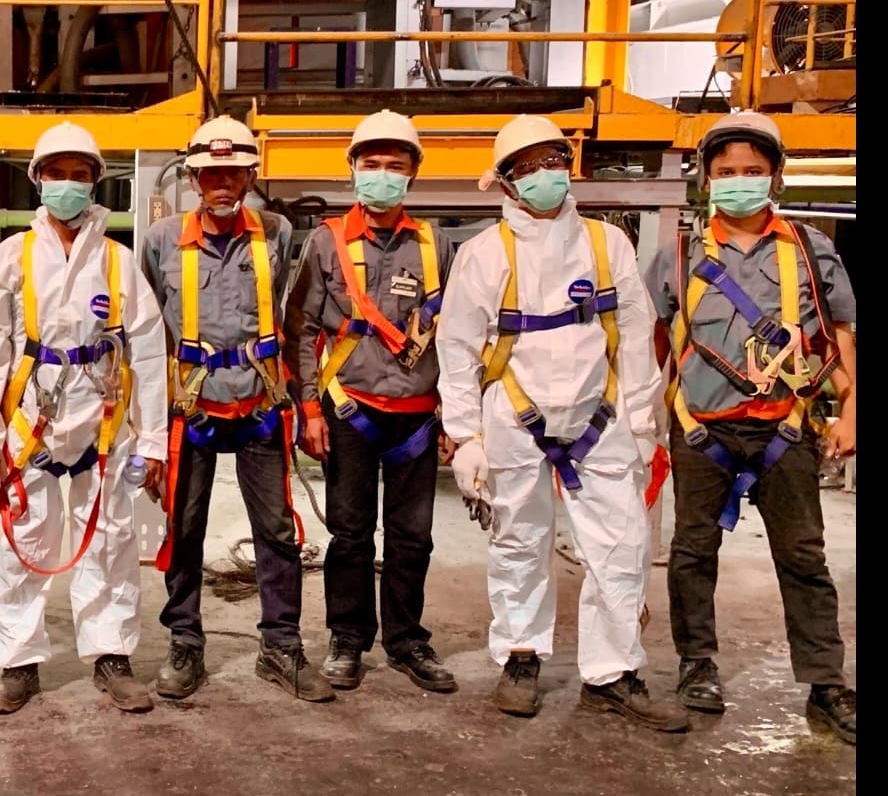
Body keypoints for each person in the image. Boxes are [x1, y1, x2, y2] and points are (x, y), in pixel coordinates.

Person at [435, 114, 687, 732]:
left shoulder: (607, 244)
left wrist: (643, 423)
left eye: (553, 159)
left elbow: (634, 335)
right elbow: (457, 347)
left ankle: (613, 671)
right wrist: (465, 436)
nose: (545, 173)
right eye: (528, 166)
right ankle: (520, 655)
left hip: (602, 415)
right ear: (505, 182)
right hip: (515, 416)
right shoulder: (483, 254)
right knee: (519, 541)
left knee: (623, 546)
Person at [646, 110, 856, 744]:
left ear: (776, 176)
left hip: (784, 428)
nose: (740, 181)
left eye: (753, 171)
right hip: (702, 429)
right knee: (692, 552)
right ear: (707, 179)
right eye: (727, 171)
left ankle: (826, 682)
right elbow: (656, 338)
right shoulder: (679, 255)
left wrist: (850, 412)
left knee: (803, 555)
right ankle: (696, 664)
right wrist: (646, 416)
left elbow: (839, 334)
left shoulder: (810, 250)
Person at [0, 122, 168, 715]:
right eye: (58, 174)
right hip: (32, 426)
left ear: (95, 183)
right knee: (25, 544)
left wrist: (152, 441)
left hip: (103, 428)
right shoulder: (13, 257)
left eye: (80, 176)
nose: (69, 185)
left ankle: (111, 655)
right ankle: (19, 663)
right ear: (39, 179)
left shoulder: (117, 261)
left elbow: (147, 353)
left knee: (111, 543)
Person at [141, 115, 328, 703]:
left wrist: (303, 400)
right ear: (193, 178)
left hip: (259, 404)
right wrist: (146, 424)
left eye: (233, 173)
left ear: (251, 175)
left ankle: (281, 645)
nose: (222, 183)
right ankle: (185, 642)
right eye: (210, 173)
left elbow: (289, 313)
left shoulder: (275, 232)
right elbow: (147, 331)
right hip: (191, 407)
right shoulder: (162, 239)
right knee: (184, 527)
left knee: (276, 530)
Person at [290, 110, 457, 694]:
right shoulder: (326, 242)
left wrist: (456, 418)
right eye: (372, 163)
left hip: (416, 416)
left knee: (412, 536)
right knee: (351, 533)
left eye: (394, 165)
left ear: (412, 174)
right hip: (350, 410)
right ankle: (347, 636)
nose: (382, 174)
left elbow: (458, 337)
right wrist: (309, 409)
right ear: (354, 169)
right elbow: (301, 329)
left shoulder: (436, 245)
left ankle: (407, 640)